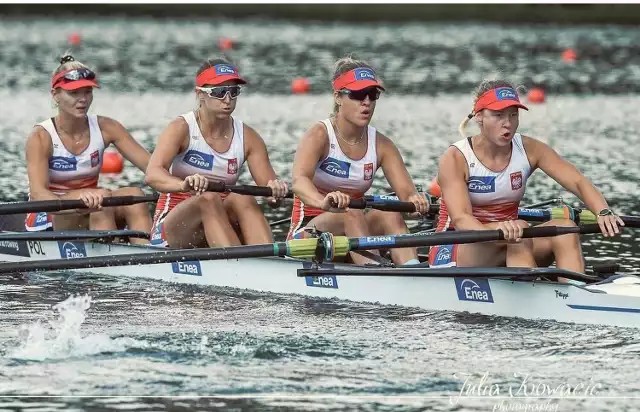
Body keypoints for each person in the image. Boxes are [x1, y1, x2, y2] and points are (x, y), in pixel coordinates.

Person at [429, 79, 624, 277]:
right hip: (456, 247)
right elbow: (462, 220)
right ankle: (529, 292)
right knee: (520, 231)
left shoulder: (530, 149)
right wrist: (500, 228)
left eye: (513, 115)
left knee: (566, 228)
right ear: (479, 117)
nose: (507, 123)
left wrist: (603, 210)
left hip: (511, 240)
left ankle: (574, 291)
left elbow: (577, 181)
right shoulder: (455, 157)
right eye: (498, 115)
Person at [289, 56, 429, 265]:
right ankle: (373, 274)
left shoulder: (382, 145)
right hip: (310, 234)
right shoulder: (320, 135)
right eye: (357, 94)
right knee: (351, 211)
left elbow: (407, 194)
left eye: (372, 95)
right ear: (338, 97)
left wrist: (417, 202)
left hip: (354, 234)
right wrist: (323, 202)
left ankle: (413, 273)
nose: (366, 102)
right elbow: (299, 181)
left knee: (389, 212)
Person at [145, 57, 288, 248]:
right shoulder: (181, 128)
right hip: (173, 227)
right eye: (219, 92)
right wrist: (183, 184)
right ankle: (239, 265)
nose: (227, 100)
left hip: (219, 224)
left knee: (242, 198)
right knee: (208, 198)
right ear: (200, 94)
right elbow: (153, 174)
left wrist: (275, 193)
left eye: (233, 92)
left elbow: (271, 196)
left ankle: (267, 262)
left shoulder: (249, 137)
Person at [25, 54, 153, 244]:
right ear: (55, 95)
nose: (82, 99)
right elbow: (38, 195)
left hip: (93, 205)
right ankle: (112, 265)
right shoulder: (41, 137)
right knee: (100, 203)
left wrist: (188, 182)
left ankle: (150, 258)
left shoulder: (106, 127)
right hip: (50, 216)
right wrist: (78, 199)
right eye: (74, 93)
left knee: (134, 195)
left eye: (87, 92)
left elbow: (154, 169)